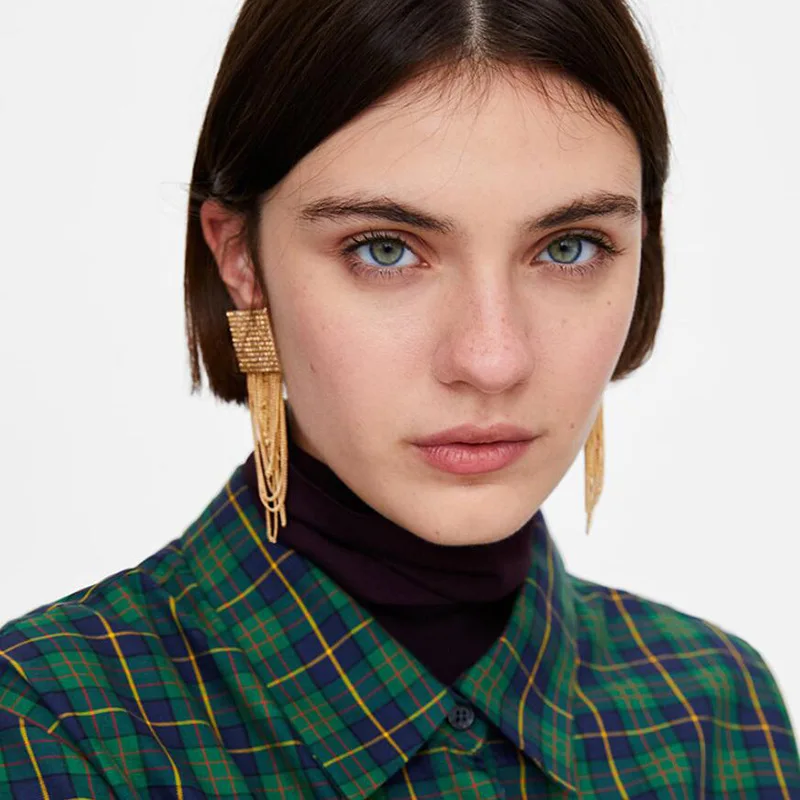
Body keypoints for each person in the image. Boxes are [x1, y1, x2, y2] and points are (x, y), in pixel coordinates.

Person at [1, 0, 798, 796]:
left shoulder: (714, 709)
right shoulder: (54, 723)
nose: (491, 360)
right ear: (241, 260)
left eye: (569, 247)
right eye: (385, 251)